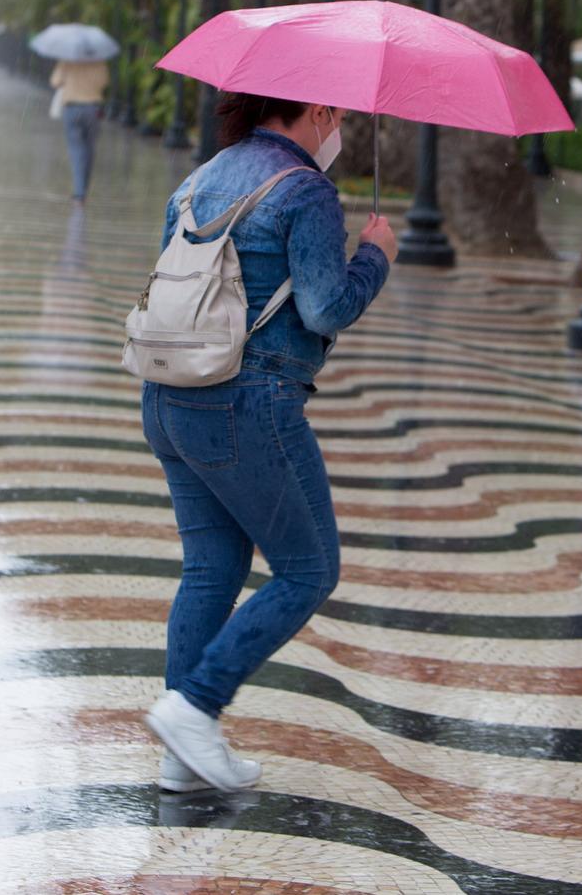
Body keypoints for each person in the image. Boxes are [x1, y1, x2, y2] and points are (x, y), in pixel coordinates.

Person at [142, 93, 397, 793]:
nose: (340, 130)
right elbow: (325, 307)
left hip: (168, 397)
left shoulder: (201, 178)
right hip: (247, 401)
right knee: (308, 569)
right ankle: (195, 706)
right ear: (316, 111)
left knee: (211, 568)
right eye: (339, 117)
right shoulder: (305, 188)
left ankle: (182, 754)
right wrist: (374, 256)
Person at [50, 58, 110, 203]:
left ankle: (79, 190)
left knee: (76, 149)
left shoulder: (66, 60)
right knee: (89, 148)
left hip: (72, 108)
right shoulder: (99, 62)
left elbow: (55, 82)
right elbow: (104, 82)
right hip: (92, 109)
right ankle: (83, 187)